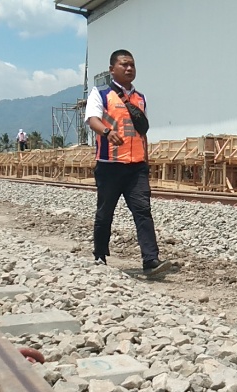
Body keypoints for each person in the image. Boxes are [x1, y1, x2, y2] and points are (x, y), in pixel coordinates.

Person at [85, 49, 169, 276]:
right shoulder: (100, 94)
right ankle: (100, 255)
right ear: (112, 69)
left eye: (132, 65)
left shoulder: (140, 98)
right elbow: (92, 119)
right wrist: (106, 131)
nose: (129, 68)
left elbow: (143, 132)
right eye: (124, 64)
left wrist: (147, 161)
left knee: (143, 211)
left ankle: (150, 260)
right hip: (110, 164)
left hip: (136, 167)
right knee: (105, 212)